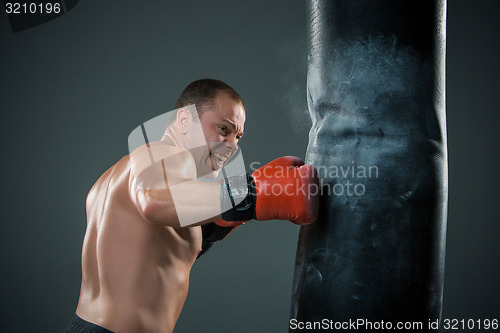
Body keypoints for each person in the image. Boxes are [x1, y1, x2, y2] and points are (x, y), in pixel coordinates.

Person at [64, 79, 319, 333]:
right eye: (223, 128)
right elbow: (151, 199)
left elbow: (152, 255)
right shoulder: (165, 154)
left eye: (237, 136)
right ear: (185, 120)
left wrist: (212, 229)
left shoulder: (116, 176)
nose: (232, 145)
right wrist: (252, 195)